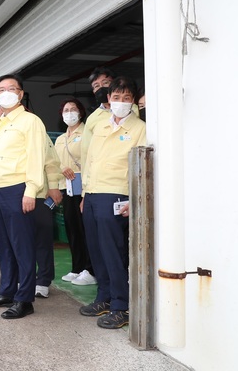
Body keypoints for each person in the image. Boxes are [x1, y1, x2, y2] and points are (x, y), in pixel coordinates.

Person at [79, 76, 146, 329]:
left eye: (126, 98)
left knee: (114, 253)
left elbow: (141, 168)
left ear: (133, 102)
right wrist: (85, 194)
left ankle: (122, 305)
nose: (120, 102)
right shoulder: (101, 127)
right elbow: (90, 162)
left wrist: (134, 197)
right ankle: (104, 297)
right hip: (94, 195)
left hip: (117, 195)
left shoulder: (140, 129)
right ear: (108, 99)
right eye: (116, 97)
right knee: (96, 251)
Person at [0, 74, 46, 319]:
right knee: (4, 245)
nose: (5, 92)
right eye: (0, 89)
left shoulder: (30, 121)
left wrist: (31, 191)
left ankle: (25, 298)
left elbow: (36, 158)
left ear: (20, 94)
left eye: (11, 88)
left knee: (22, 245)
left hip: (19, 189)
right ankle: (7, 290)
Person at [54, 98, 96, 286]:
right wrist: (62, 167)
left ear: (80, 112)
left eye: (73, 109)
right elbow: (54, 162)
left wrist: (86, 191)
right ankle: (77, 267)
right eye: (66, 109)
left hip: (84, 187)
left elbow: (91, 159)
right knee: (72, 230)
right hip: (67, 188)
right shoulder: (61, 139)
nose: (69, 113)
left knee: (86, 230)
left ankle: (90, 269)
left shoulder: (88, 133)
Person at [33, 136, 63, 298]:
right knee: (20, 239)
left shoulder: (38, 131)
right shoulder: (2, 129)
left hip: (39, 193)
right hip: (15, 192)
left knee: (42, 238)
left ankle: (43, 280)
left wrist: (53, 187)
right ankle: (24, 277)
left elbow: (51, 162)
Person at [80, 67, 116, 172]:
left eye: (105, 83)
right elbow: (86, 152)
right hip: (101, 175)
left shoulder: (133, 110)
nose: (101, 88)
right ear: (93, 91)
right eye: (96, 86)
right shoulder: (92, 118)